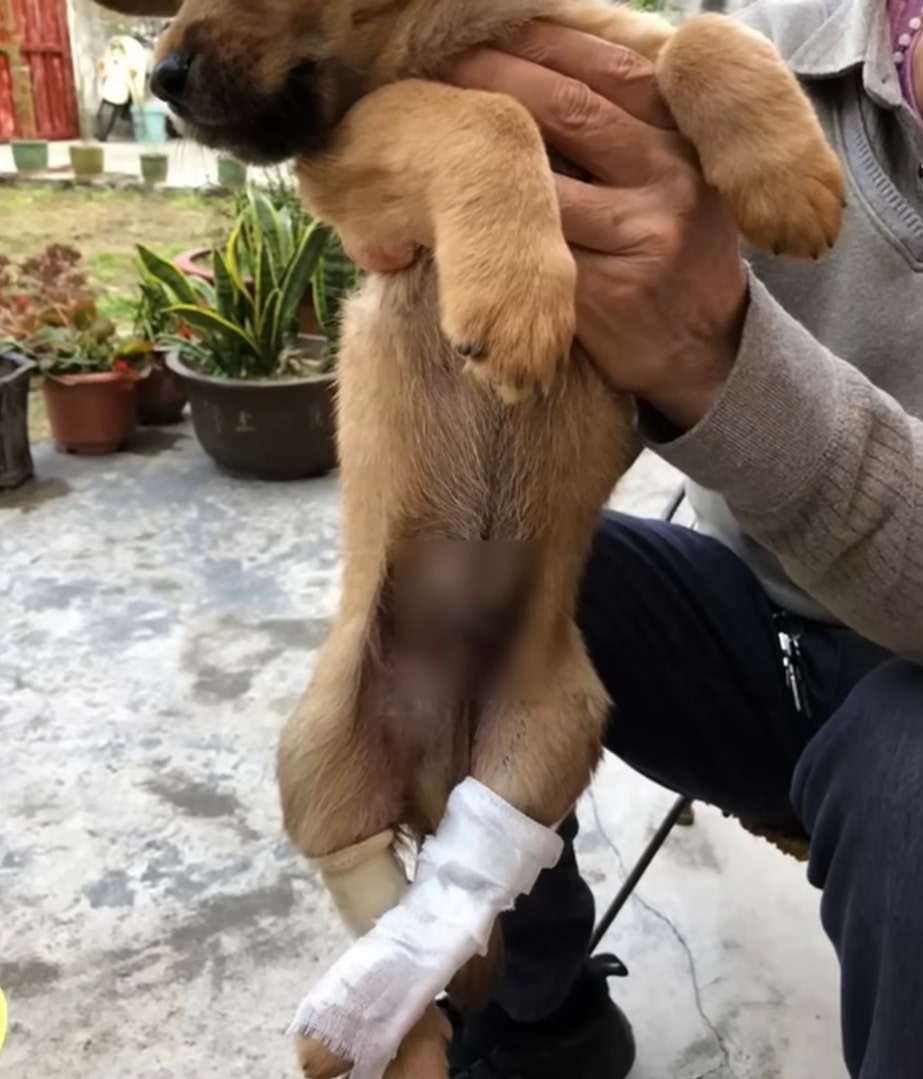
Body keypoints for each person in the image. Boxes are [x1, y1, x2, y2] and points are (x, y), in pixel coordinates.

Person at [349, 0, 923, 1075]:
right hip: (761, 632)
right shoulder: (772, 29)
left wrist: (714, 357)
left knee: (909, 762)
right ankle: (533, 1005)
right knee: (449, 584)